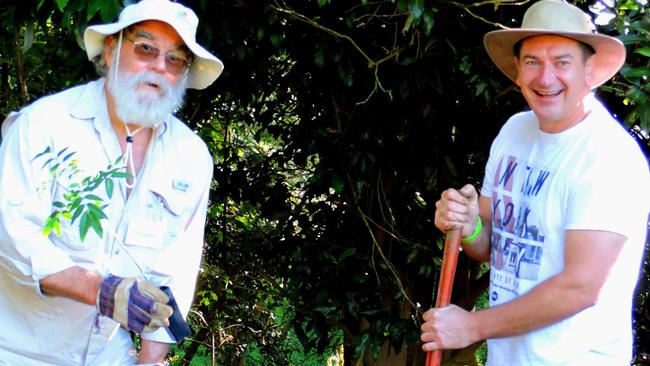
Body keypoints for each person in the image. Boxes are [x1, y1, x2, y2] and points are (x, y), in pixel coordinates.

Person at [421, 0, 649, 365]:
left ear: (589, 71)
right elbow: (494, 244)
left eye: (562, 62)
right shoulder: (514, 132)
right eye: (533, 62)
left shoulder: (608, 157)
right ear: (517, 70)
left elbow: (580, 287)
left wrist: (473, 327)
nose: (545, 79)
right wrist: (468, 226)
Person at [0, 0, 223, 364]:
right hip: (18, 351)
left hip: (110, 355)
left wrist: (152, 357)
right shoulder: (44, 125)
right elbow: (11, 232)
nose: (158, 67)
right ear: (111, 50)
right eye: (146, 48)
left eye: (175, 59)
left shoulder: (191, 157)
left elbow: (177, 268)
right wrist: (99, 291)